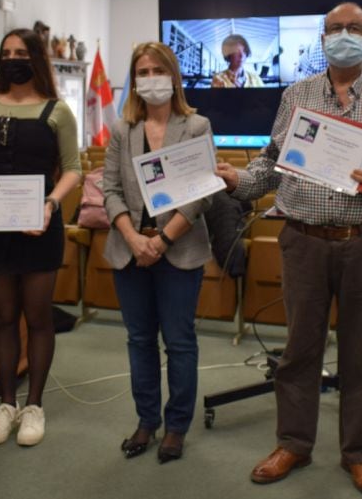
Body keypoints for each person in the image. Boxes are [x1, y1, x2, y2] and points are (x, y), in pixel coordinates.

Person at [215, 2, 362, 498]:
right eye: (334, 29)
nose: (343, 36)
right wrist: (240, 181)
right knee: (299, 350)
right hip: (304, 241)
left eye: (354, 29)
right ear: (321, 39)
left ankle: (359, 455)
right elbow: (272, 164)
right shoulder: (297, 94)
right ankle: (293, 443)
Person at [0, 28, 82, 447]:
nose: (14, 59)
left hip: (39, 226)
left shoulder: (57, 111)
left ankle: (34, 406)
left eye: (22, 53)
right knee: (5, 316)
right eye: (7, 52)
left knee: (38, 316)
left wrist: (50, 203)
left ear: (36, 59)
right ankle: (6, 404)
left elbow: (73, 169)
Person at [101, 42, 214, 463]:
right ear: (134, 80)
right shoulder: (121, 128)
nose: (150, 78)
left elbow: (200, 195)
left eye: (157, 70)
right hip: (130, 249)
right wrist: (134, 238)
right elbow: (110, 189)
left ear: (173, 76)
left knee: (180, 342)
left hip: (179, 249)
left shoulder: (197, 126)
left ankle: (177, 426)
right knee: (139, 340)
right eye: (142, 72)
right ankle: (147, 421)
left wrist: (162, 241)